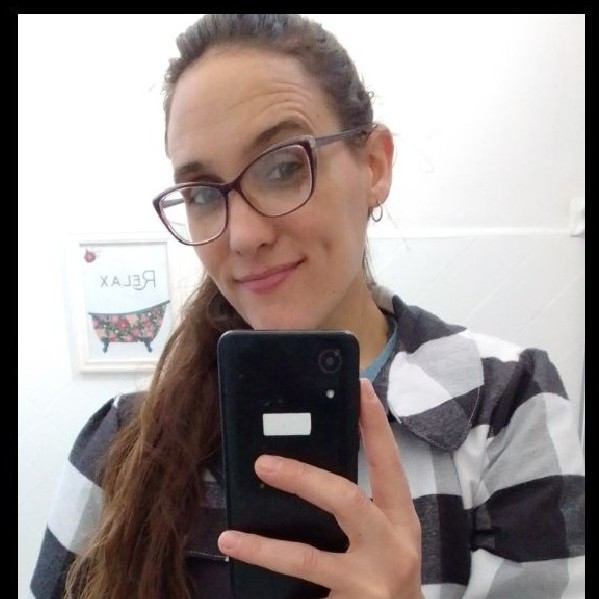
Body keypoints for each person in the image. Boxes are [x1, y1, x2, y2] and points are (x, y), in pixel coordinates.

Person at [29, 13, 584, 599]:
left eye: (283, 167)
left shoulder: (504, 404)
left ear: (374, 166)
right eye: (201, 194)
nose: (243, 236)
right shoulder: (125, 442)